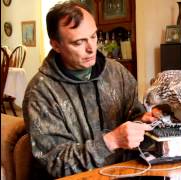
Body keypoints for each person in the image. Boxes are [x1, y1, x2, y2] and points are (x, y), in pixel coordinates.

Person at [22, 1, 158, 179]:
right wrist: (111, 141)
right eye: (79, 42)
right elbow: (56, 164)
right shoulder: (40, 93)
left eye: (94, 36)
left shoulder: (117, 72)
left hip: (125, 173)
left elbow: (134, 118)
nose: (91, 48)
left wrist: (144, 122)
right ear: (56, 45)